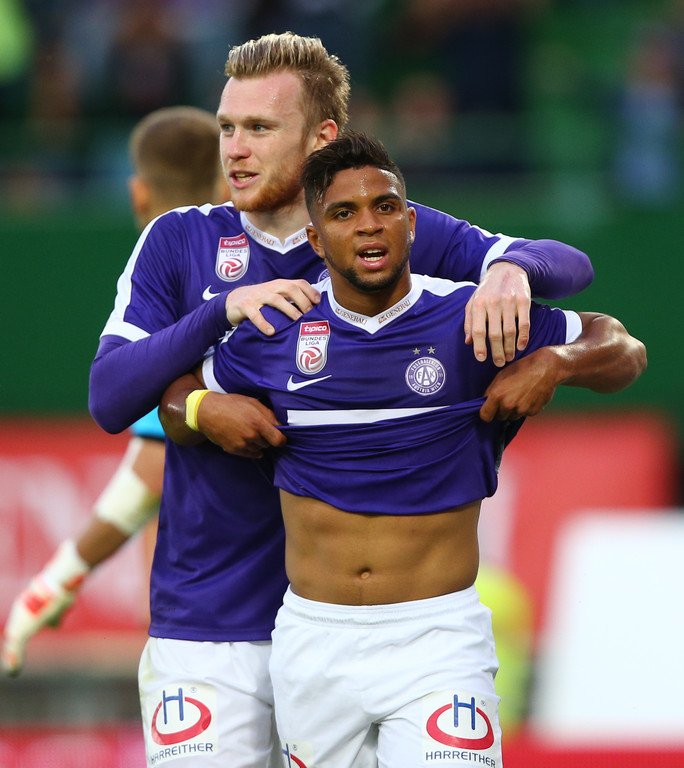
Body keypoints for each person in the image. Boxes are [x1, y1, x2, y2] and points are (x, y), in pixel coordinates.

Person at [86, 32, 596, 768]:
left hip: (353, 617)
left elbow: (570, 267)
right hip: (211, 616)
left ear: (321, 137)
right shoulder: (179, 240)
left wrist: (511, 269)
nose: (235, 149)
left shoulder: (375, 227)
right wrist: (218, 318)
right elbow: (109, 396)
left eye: (260, 128)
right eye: (227, 127)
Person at [172, 131, 646, 767]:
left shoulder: (472, 316)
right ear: (316, 240)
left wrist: (556, 363)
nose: (369, 225)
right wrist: (200, 408)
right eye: (344, 213)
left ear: (411, 223)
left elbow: (623, 348)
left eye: (385, 206)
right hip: (314, 640)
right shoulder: (274, 330)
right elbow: (168, 396)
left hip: (438, 638)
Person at [1, 105, 228, 676]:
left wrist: (57, 578)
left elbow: (150, 471)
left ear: (137, 193)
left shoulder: (173, 288)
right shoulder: (266, 267)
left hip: (214, 613)